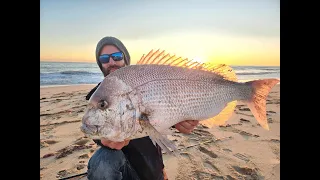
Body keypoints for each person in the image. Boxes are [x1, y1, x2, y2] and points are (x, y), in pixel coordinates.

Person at [85, 36, 199, 180]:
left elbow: (164, 111)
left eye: (117, 56)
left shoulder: (146, 81)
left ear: (125, 59)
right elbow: (93, 128)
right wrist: (103, 140)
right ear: (100, 64)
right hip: (126, 172)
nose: (112, 62)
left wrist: (180, 122)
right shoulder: (98, 96)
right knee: (103, 159)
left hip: (153, 170)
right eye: (104, 58)